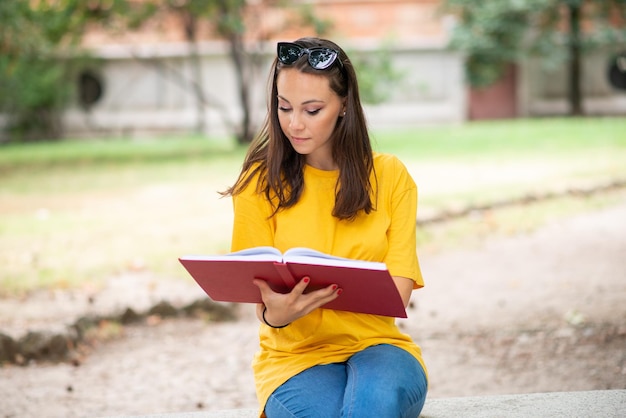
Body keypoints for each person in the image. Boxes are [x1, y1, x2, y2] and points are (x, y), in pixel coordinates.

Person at [222, 37, 428, 418]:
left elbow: (397, 297)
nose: (294, 123)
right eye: (284, 107)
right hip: (294, 358)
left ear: (344, 105)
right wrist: (276, 315)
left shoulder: (390, 177)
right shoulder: (258, 183)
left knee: (374, 406)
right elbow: (261, 302)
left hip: (380, 349)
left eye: (312, 109)